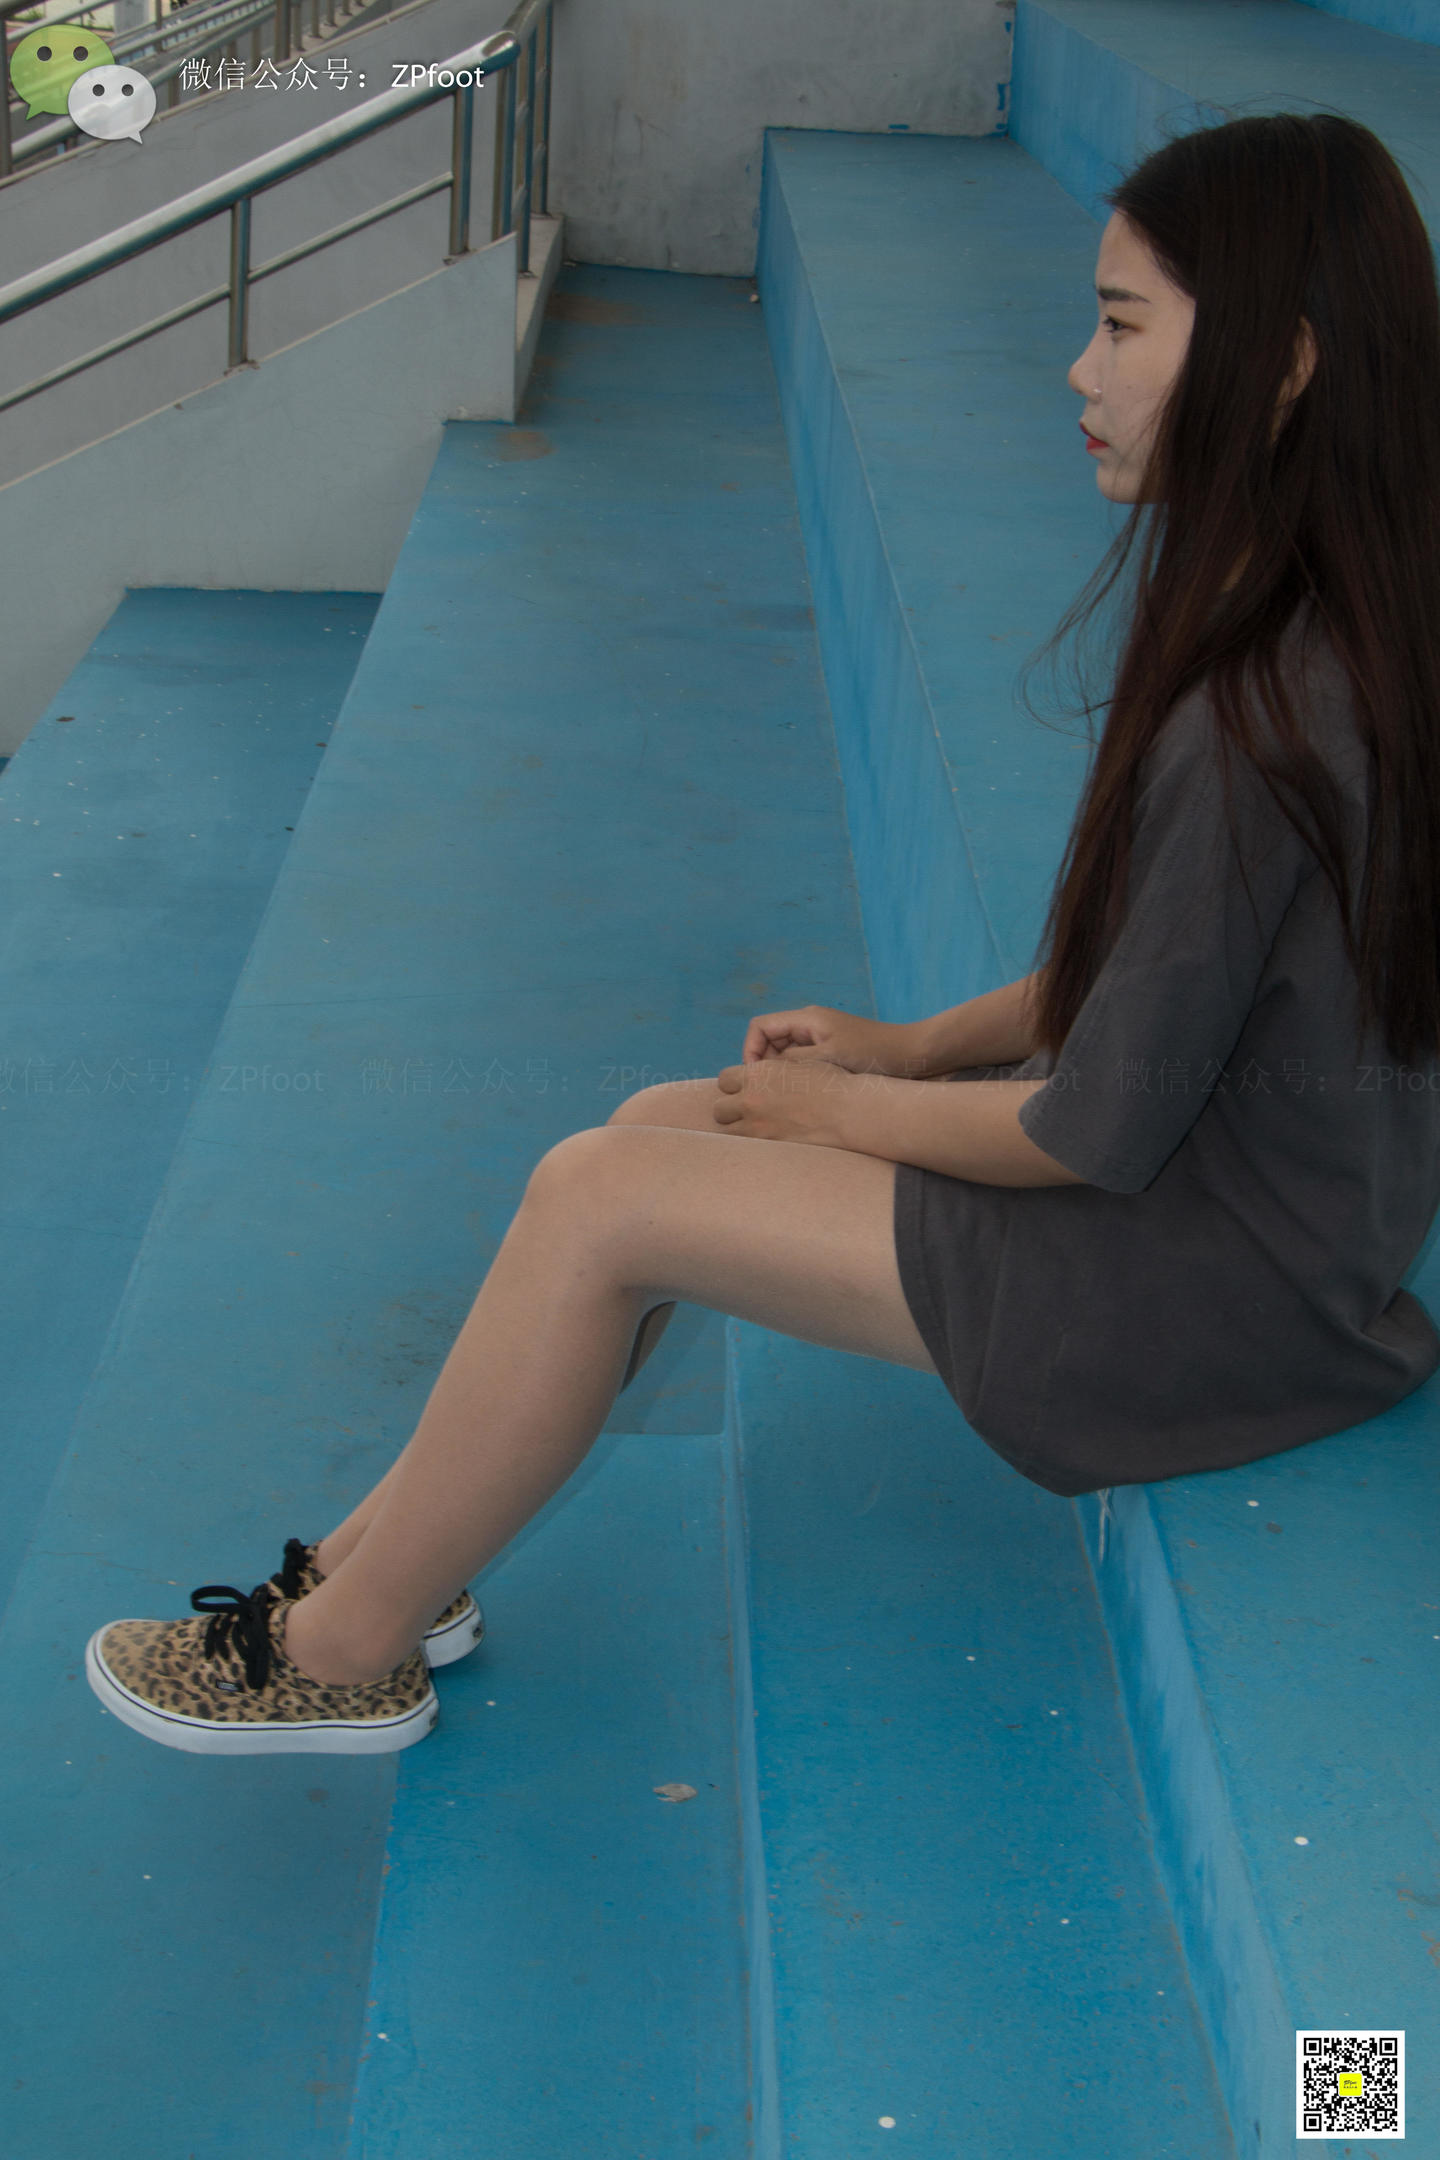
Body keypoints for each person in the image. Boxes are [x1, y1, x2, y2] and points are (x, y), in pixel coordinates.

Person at [86, 109, 1440, 1755]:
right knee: (661, 1123)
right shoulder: (1308, 630)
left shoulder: (1261, 715)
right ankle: (384, 1571)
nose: (1078, 370)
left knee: (604, 1198)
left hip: (1209, 1297)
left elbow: (1091, 1128)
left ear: (1283, 365)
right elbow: (1159, 982)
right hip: (1231, 1232)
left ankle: (339, 1651)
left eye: (1121, 324)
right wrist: (910, 1046)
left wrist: (847, 1110)